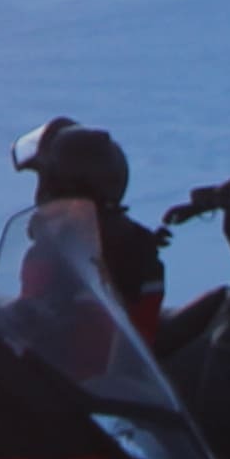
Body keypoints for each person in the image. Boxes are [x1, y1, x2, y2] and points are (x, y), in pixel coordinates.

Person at [15, 116, 166, 325]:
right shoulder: (136, 244)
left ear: (56, 186)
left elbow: (32, 323)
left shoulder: (65, 251)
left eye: (46, 178)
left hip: (78, 355)